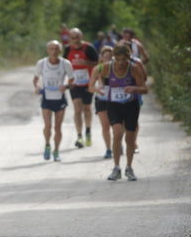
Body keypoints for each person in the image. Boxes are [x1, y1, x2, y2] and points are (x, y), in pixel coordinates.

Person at [90, 44, 148, 181]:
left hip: (131, 105)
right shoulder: (105, 67)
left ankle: (129, 167)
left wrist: (134, 88)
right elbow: (93, 77)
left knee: (130, 138)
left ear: (129, 58)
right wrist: (95, 88)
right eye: (118, 59)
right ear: (114, 58)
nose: (121, 63)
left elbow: (144, 89)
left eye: (124, 60)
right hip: (114, 105)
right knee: (117, 133)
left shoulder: (133, 68)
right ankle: (116, 167)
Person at [33, 40, 74, 161]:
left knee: (57, 127)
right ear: (47, 50)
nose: (54, 51)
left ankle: (56, 151)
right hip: (46, 97)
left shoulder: (65, 63)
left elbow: (72, 81)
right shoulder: (41, 63)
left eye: (56, 49)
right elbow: (35, 79)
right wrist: (37, 87)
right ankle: (47, 145)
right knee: (48, 125)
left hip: (59, 98)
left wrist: (65, 86)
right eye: (51, 49)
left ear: (60, 50)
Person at [63, 28, 99, 148]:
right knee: (77, 109)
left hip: (88, 83)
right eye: (72, 38)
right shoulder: (68, 49)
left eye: (77, 37)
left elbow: (98, 64)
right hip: (74, 83)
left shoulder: (89, 48)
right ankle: (79, 136)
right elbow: (63, 65)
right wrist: (65, 81)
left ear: (81, 36)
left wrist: (85, 63)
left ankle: (88, 131)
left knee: (87, 108)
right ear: (70, 39)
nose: (75, 40)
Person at [88, 46, 114, 159]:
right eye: (105, 57)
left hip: (115, 100)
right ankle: (108, 149)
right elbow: (90, 88)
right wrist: (97, 89)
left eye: (110, 57)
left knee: (117, 126)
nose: (108, 59)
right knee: (105, 126)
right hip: (101, 99)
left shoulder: (118, 69)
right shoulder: (97, 69)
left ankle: (118, 144)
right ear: (102, 58)